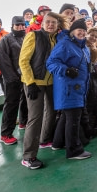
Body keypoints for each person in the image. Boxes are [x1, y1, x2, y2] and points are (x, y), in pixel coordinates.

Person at [19, 12, 61, 169]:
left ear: (57, 26)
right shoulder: (33, 36)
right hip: (35, 82)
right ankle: (28, 156)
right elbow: (23, 60)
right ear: (42, 24)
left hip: (50, 82)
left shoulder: (56, 39)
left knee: (51, 111)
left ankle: (44, 140)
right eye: (48, 22)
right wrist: (30, 83)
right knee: (35, 118)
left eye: (54, 23)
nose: (50, 25)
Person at [46, 18, 92, 160]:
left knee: (66, 116)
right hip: (69, 88)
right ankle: (74, 151)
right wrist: (66, 70)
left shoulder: (84, 47)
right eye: (79, 30)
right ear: (72, 31)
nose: (82, 32)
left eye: (84, 31)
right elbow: (51, 62)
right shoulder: (65, 44)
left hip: (79, 88)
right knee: (73, 119)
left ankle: (57, 143)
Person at [0, 16, 27, 145]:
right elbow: (2, 60)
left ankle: (23, 122)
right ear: (12, 26)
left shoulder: (27, 38)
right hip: (12, 78)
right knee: (11, 105)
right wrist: (12, 77)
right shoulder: (6, 40)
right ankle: (6, 133)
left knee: (26, 101)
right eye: (17, 25)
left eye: (22, 25)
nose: (20, 27)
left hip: (26, 77)